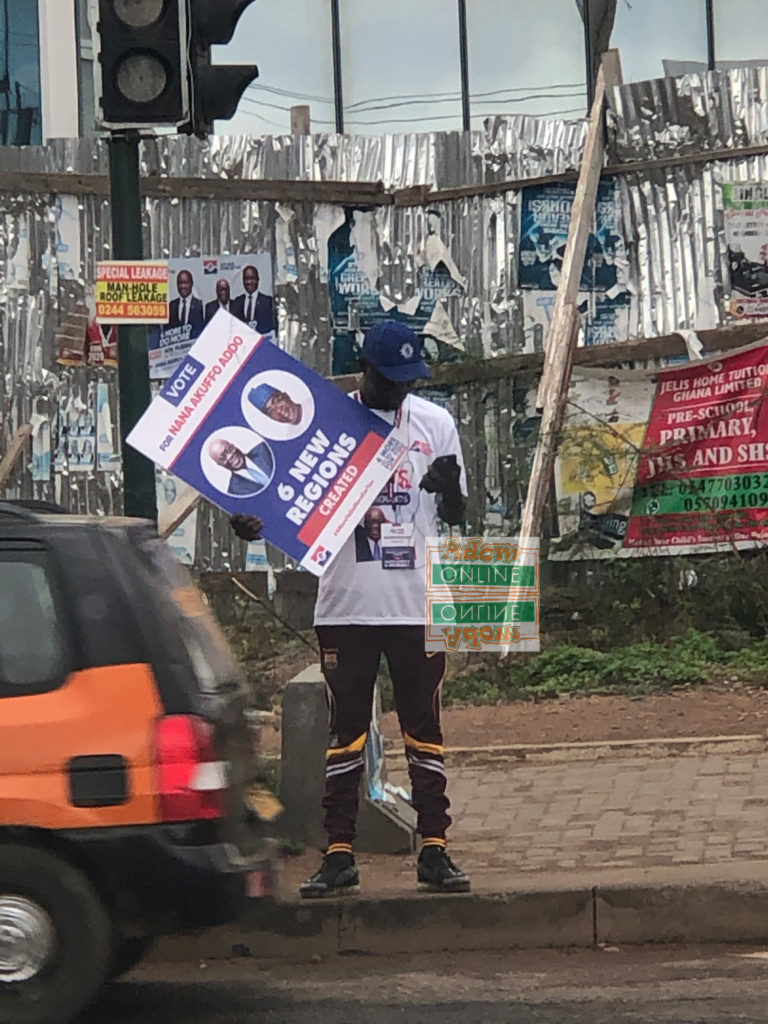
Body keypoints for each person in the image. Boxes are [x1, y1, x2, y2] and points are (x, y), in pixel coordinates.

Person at [231, 319, 471, 897]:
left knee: (425, 727)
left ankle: (434, 847)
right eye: (391, 381)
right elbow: (274, 499)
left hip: (416, 602)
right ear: (365, 371)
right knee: (345, 733)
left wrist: (449, 489)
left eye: (410, 380)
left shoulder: (435, 424)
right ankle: (338, 853)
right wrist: (245, 523)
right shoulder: (326, 425)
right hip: (346, 603)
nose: (402, 392)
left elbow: (460, 515)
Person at [208, 437, 273, 497]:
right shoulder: (235, 492)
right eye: (223, 458)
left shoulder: (264, 449)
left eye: (229, 449)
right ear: (220, 465)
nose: (230, 456)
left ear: (234, 446)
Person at [232, 264, 275, 334]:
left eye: (252, 278)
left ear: (257, 279)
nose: (249, 282)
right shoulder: (237, 302)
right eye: (246, 279)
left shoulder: (267, 302)